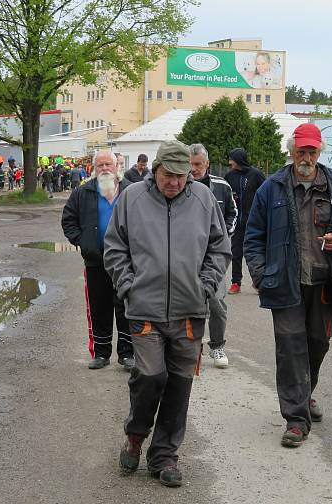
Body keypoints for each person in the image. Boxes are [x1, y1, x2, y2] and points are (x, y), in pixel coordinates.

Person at [103, 141, 231, 487]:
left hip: (190, 310)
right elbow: (114, 247)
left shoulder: (203, 199)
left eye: (181, 175)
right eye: (168, 174)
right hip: (144, 308)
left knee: (179, 385)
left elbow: (220, 248)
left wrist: (206, 284)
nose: (174, 182)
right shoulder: (131, 199)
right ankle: (135, 435)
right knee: (150, 376)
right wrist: (129, 285)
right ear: (155, 170)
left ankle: (164, 456)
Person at [244, 123, 332, 448]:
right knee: (290, 349)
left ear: (320, 151)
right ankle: (296, 420)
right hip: (285, 284)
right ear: (291, 151)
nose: (307, 156)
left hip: (325, 284)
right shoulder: (271, 189)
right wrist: (259, 274)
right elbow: (253, 236)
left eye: (312, 150)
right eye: (302, 150)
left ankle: (305, 391)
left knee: (318, 343)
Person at [62, 151, 134, 372]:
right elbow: (68, 220)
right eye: (100, 164)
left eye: (108, 164)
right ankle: (101, 354)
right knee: (98, 308)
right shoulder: (83, 192)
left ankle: (128, 354)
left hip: (127, 262)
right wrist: (84, 242)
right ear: (94, 168)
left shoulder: (132, 191)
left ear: (116, 166)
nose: (104, 168)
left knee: (127, 308)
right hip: (96, 261)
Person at [188, 143, 237, 368]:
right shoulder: (181, 185)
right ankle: (191, 346)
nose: (194, 169)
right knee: (189, 301)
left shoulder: (221, 186)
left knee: (216, 302)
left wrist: (223, 237)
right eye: (191, 164)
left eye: (198, 164)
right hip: (188, 256)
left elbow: (233, 213)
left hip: (214, 256)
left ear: (207, 163)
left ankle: (217, 346)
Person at [224, 148, 266, 294]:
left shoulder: (256, 175)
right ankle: (236, 283)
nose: (229, 162)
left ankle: (258, 282)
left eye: (232, 159)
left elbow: (265, 194)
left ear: (239, 159)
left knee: (254, 253)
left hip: (254, 222)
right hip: (237, 223)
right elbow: (226, 195)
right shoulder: (229, 176)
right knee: (236, 254)